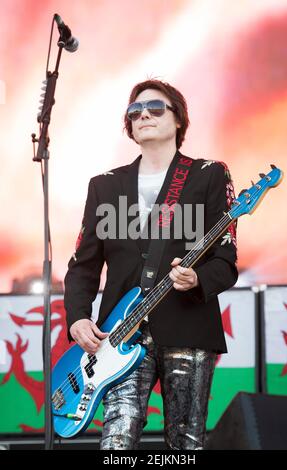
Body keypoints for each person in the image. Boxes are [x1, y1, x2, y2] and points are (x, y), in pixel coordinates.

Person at [64, 79, 238, 450]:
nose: (143, 114)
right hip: (120, 333)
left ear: (178, 120)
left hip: (188, 326)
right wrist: (78, 317)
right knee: (116, 440)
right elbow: (83, 265)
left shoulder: (208, 174)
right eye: (135, 111)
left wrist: (197, 279)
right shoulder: (105, 186)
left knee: (186, 442)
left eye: (155, 108)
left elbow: (225, 260)